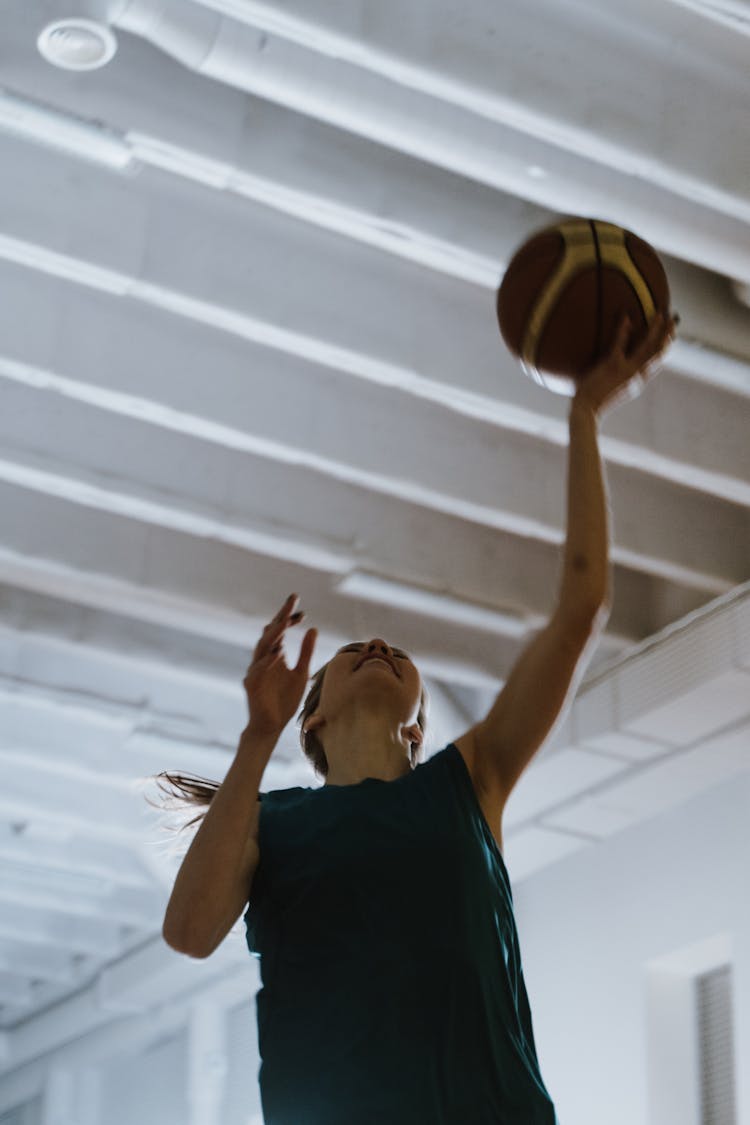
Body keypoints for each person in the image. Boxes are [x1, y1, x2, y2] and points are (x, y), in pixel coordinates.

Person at [157, 312, 678, 1124]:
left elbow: (581, 607)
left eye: (396, 651)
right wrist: (256, 736)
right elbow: (188, 932)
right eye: (351, 650)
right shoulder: (270, 820)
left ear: (419, 725)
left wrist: (583, 418)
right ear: (312, 718)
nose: (375, 644)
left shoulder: (470, 781)